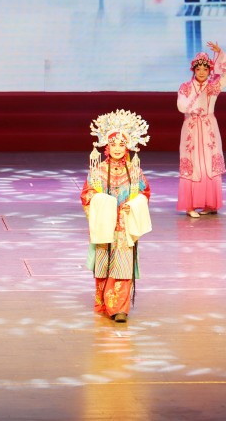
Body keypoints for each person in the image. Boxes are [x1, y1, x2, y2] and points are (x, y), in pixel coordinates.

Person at [81, 109, 152, 323]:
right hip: (106, 225)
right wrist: (103, 203)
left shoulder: (135, 171)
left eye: (122, 144)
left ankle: (120, 309)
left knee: (123, 265)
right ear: (107, 146)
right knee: (104, 264)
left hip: (124, 226)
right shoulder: (98, 171)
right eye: (114, 144)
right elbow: (87, 195)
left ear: (128, 146)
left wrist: (134, 205)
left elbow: (144, 193)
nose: (118, 148)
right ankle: (105, 302)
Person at [176, 41, 226, 218]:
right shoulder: (185, 87)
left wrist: (220, 53)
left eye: (205, 69)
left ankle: (210, 204)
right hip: (192, 127)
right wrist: (195, 107)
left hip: (209, 127)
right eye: (198, 69)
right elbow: (181, 105)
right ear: (193, 70)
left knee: (209, 163)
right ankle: (190, 205)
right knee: (193, 164)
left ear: (210, 70)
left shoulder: (213, 86)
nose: (201, 72)